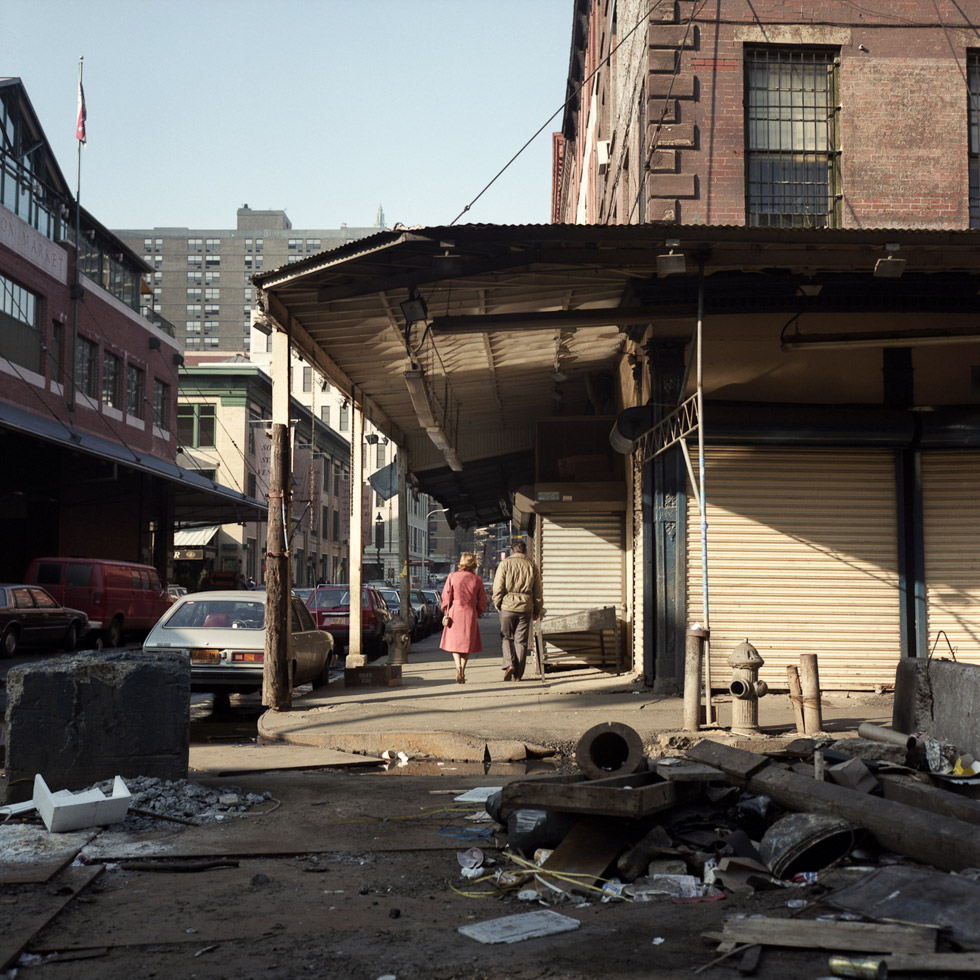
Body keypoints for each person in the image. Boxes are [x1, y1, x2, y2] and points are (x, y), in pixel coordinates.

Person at [492, 539, 542, 681]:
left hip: (507, 606)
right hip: (526, 607)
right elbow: (538, 591)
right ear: (525, 551)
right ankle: (518, 674)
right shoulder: (532, 565)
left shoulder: (505, 564)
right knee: (521, 641)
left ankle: (509, 663)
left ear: (512, 551)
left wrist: (498, 603)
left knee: (506, 637)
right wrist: (537, 609)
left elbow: (498, 587)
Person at [440, 552, 487, 684]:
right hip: (470, 612)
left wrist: (446, 610)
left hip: (455, 611)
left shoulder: (452, 577)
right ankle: (463, 669)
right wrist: (478, 612)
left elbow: (446, 596)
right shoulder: (477, 579)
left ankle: (458, 667)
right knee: (467, 644)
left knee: (455, 643)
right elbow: (482, 599)